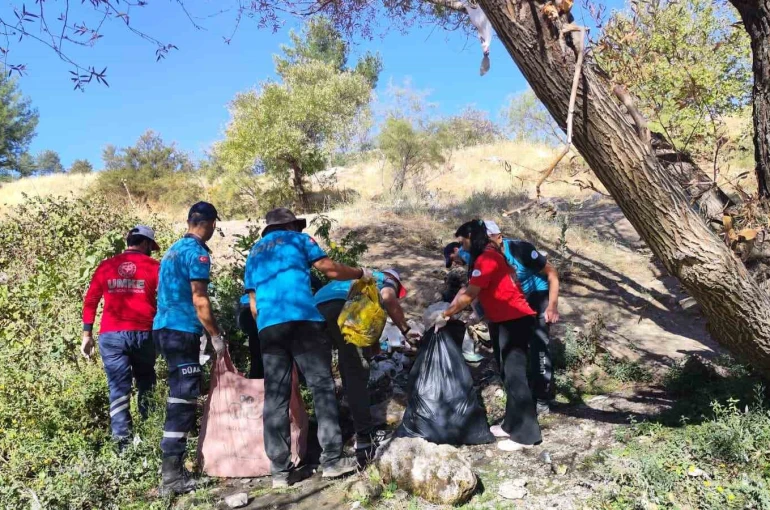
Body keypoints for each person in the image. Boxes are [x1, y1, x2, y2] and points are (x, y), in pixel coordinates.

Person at [244, 207, 369, 488]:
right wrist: (361, 272)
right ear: (289, 225)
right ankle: (333, 460)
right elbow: (330, 269)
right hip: (302, 321)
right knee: (322, 387)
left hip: (268, 327)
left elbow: (253, 304)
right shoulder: (299, 240)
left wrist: (269, 327)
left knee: (276, 397)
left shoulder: (254, 252)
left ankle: (280, 471)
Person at [434, 219, 542, 452]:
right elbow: (472, 291)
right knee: (505, 371)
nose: (462, 247)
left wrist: (445, 314)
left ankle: (527, 435)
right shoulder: (487, 256)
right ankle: (511, 424)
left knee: (515, 375)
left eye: (463, 242)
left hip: (514, 319)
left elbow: (470, 293)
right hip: (502, 320)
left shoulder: (487, 258)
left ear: (473, 237)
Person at [153, 202, 226, 496]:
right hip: (182, 329)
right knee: (183, 399)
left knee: (179, 396)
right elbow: (200, 300)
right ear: (208, 224)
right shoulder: (197, 253)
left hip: (163, 328)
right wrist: (215, 335)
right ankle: (172, 477)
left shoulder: (172, 250)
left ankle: (172, 471)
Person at [314, 268, 411, 458]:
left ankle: (329, 446)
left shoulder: (356, 279)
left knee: (321, 381)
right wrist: (406, 331)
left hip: (314, 312)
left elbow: (371, 316)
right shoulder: (383, 279)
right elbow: (388, 299)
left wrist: (373, 345)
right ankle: (364, 439)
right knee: (355, 374)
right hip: (343, 309)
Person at [81, 225, 161, 450]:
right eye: (150, 247)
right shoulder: (155, 266)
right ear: (144, 243)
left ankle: (122, 445)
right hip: (145, 333)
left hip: (111, 335)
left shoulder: (106, 266)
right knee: (146, 381)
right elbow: (167, 300)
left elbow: (90, 301)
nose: (151, 252)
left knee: (118, 388)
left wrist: (87, 334)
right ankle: (150, 436)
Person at [484, 220, 560, 415]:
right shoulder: (482, 255)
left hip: (537, 296)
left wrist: (552, 306)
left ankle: (542, 398)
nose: (483, 245)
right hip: (512, 301)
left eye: (487, 240)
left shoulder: (520, 249)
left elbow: (552, 273)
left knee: (538, 346)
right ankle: (518, 396)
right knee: (506, 347)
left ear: (498, 237)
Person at [236, 293, 264, 379]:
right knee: (260, 353)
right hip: (256, 311)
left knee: (256, 354)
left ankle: (257, 380)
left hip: (248, 312)